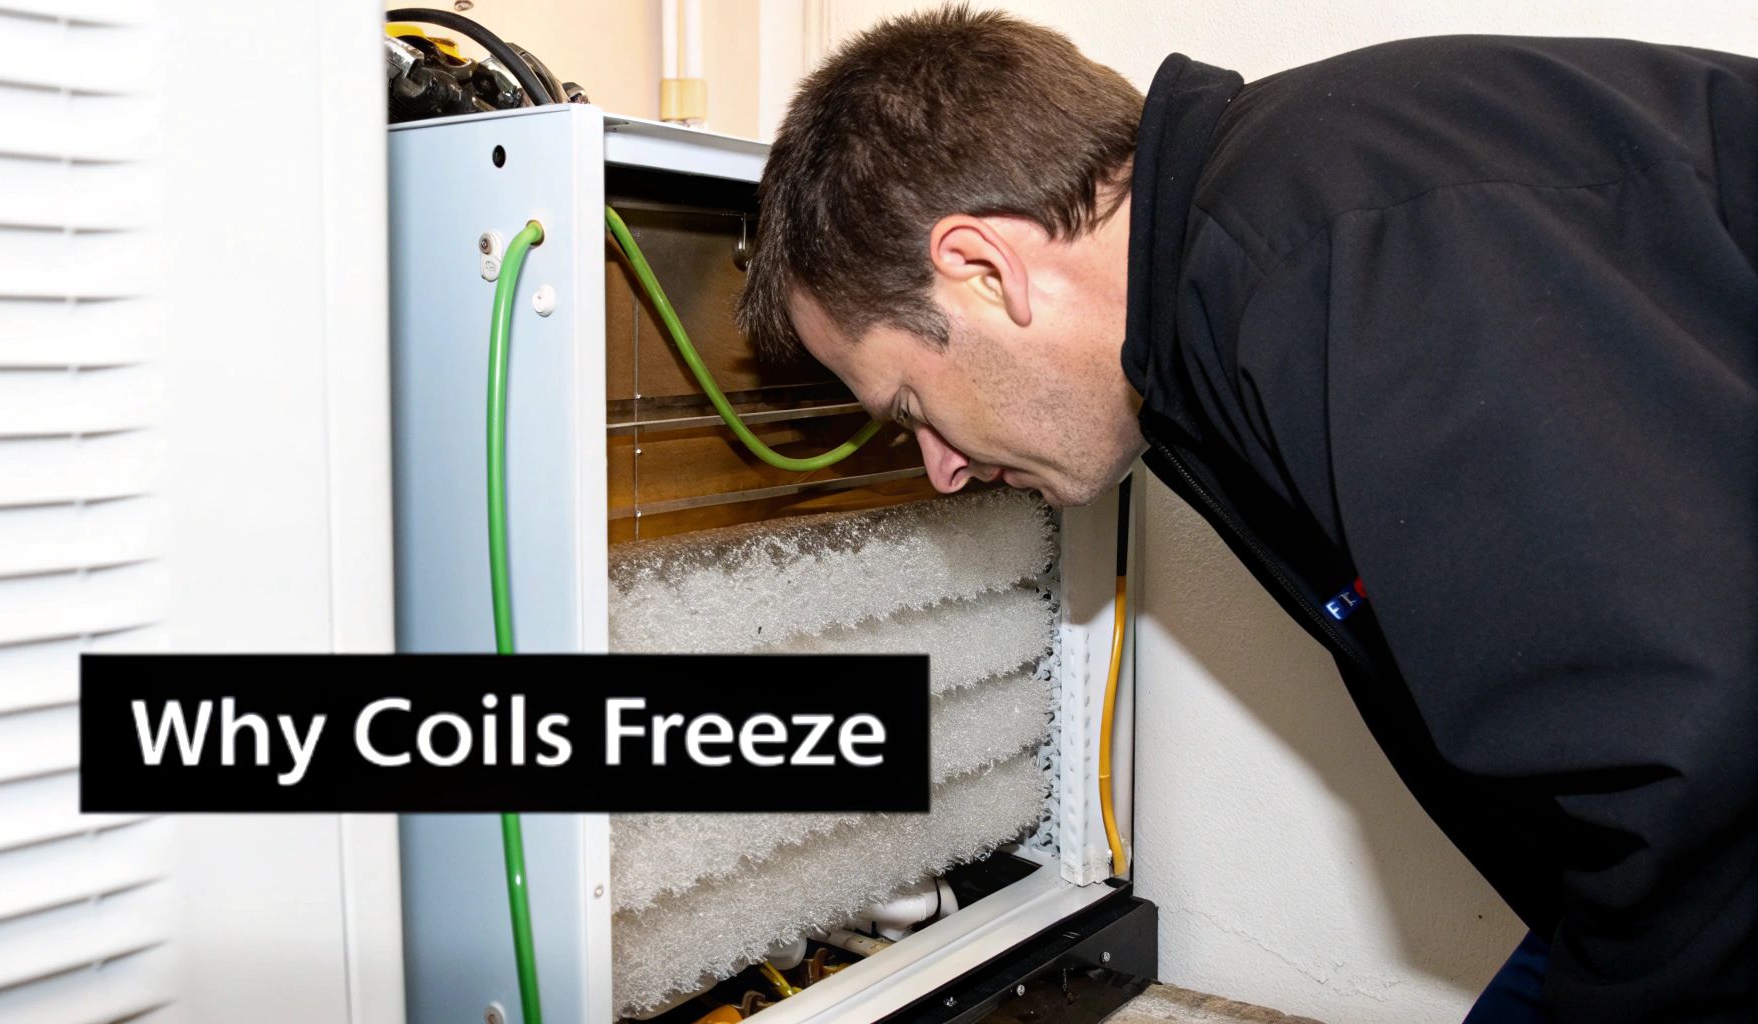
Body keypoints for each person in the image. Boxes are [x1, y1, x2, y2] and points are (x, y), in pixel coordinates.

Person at [734, 7, 1758, 1023]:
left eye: (911, 407)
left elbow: (1697, 775)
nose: (942, 468)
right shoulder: (1212, 312)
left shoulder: (1343, 256)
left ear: (984, 271)